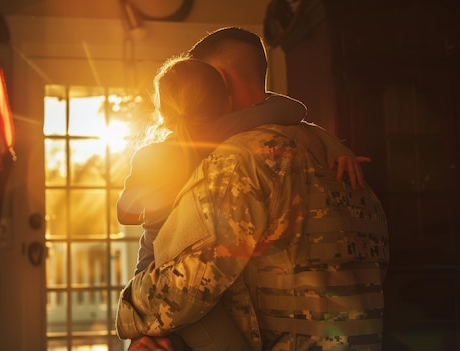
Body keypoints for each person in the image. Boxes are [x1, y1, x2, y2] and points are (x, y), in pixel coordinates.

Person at [115, 27, 389, 351]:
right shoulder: (341, 163)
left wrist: (128, 314)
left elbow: (186, 291)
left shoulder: (238, 164)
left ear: (220, 81)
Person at [118, 56, 308, 351]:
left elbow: (125, 213)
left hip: (153, 271)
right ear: (224, 100)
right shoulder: (226, 134)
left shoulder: (150, 154)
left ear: (162, 109)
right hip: (188, 277)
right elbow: (293, 109)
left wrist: (155, 198)